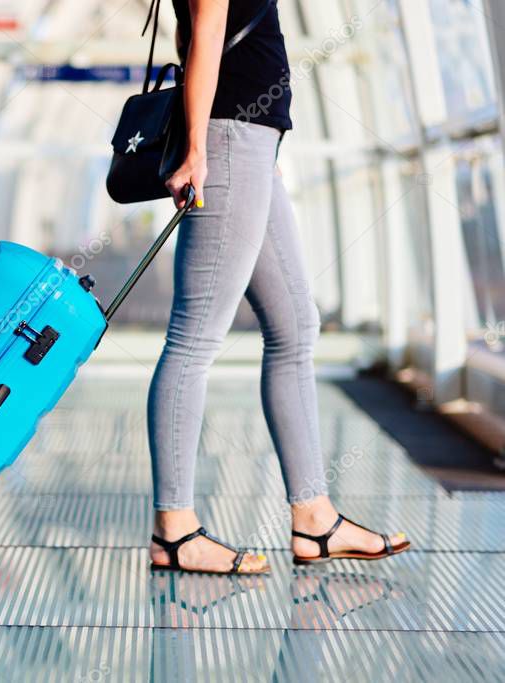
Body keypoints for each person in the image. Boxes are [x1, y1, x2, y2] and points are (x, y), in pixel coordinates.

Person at [147, 0, 410, 574]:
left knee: (295, 326)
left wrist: (257, 150)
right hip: (229, 139)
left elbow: (204, 31)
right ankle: (175, 532)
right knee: (194, 338)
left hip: (249, 142)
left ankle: (315, 519)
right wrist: (200, 149)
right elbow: (207, 33)